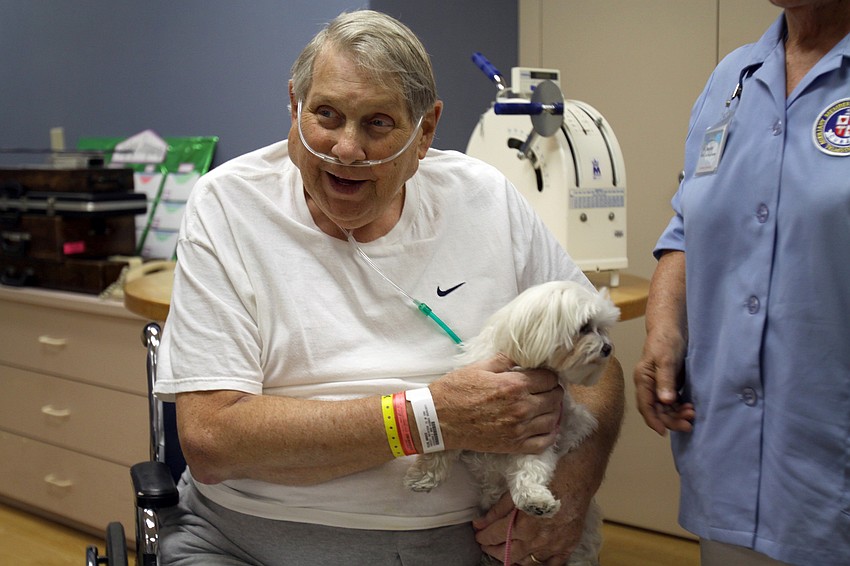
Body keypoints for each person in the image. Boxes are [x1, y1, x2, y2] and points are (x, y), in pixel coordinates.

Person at [153, 10, 624, 566]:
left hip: (469, 543)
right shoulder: (228, 205)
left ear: (425, 130)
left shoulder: (485, 199)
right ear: (294, 105)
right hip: (251, 542)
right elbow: (211, 439)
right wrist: (430, 417)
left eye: (378, 123)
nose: (346, 149)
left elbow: (599, 370)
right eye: (325, 115)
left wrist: (574, 483)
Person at [634, 2, 850, 565]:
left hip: (828, 446)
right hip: (725, 451)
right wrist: (663, 329)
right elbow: (686, 225)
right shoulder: (733, 77)